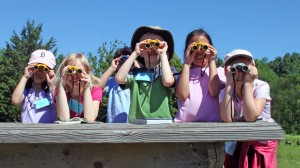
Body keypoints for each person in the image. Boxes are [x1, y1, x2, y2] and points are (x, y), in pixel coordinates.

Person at [219, 49, 278, 168]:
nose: (240, 72)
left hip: (262, 144)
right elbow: (227, 118)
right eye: (235, 68)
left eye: (244, 68)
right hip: (239, 143)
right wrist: (230, 83)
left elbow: (251, 116)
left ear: (253, 68)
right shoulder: (225, 92)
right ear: (227, 71)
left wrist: (248, 83)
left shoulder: (261, 86)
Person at [115, 26, 176, 122]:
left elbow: (168, 81)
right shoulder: (135, 73)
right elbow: (119, 78)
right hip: (137, 122)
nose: (152, 48)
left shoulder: (167, 71)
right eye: (146, 44)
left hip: (163, 121)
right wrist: (135, 53)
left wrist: (163, 53)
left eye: (156, 44)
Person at [174, 29, 225, 122]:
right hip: (184, 126)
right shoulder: (184, 73)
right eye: (194, 47)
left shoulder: (220, 72)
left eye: (204, 47)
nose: (199, 51)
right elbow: (182, 94)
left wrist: (212, 61)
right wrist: (186, 63)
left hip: (213, 126)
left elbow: (215, 92)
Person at [51, 53, 102, 122]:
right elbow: (64, 118)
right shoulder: (60, 90)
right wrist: (61, 86)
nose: (74, 75)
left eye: (79, 71)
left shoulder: (95, 90)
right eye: (69, 71)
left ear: (87, 73)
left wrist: (87, 87)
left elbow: (90, 119)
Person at [11, 49, 57, 123]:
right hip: (27, 132)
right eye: (36, 68)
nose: (39, 72)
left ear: (50, 71)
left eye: (44, 69)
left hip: (48, 131)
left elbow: (59, 106)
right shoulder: (26, 90)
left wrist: (52, 84)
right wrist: (25, 77)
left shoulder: (51, 91)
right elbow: (15, 101)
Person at [99, 46, 140, 123]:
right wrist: (112, 68)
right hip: (114, 125)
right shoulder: (113, 80)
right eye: (123, 60)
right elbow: (97, 88)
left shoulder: (137, 78)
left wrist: (136, 65)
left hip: (135, 124)